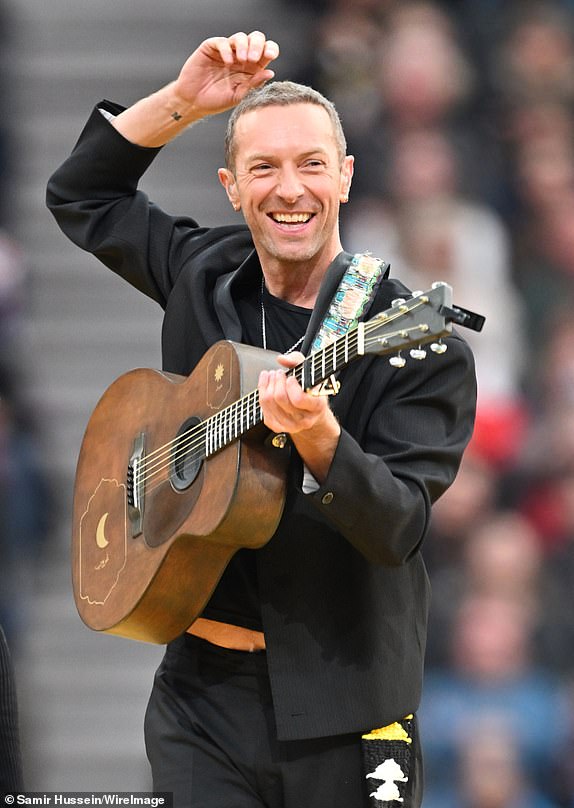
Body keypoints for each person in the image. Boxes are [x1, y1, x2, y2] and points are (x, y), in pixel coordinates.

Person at [46, 31, 477, 808]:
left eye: (312, 164)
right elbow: (82, 195)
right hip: (199, 696)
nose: (291, 189)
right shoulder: (202, 274)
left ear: (345, 176)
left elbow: (398, 527)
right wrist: (184, 101)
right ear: (230, 186)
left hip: (354, 707)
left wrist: (321, 439)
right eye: (264, 168)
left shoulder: (413, 338)